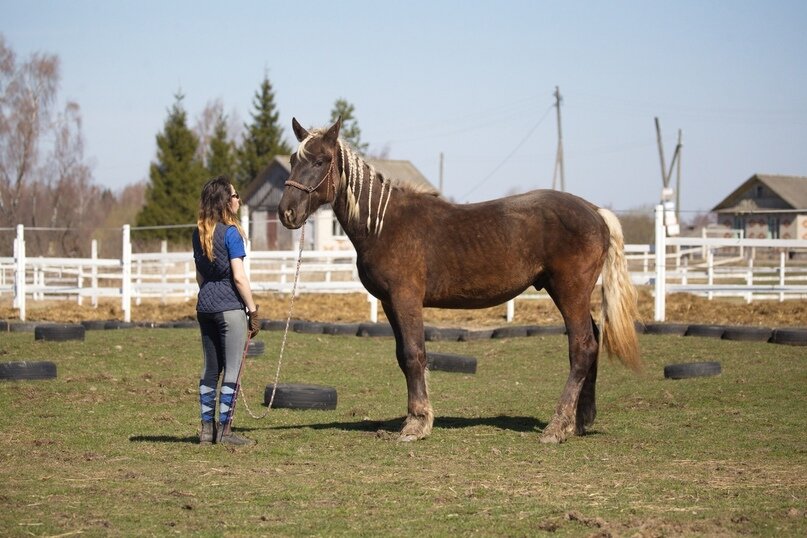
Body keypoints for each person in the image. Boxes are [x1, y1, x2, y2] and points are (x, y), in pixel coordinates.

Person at [192, 176, 261, 446]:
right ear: (224, 201)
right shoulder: (231, 233)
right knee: (233, 370)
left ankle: (206, 431)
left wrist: (208, 295)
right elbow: (239, 278)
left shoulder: (198, 233)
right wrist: (253, 311)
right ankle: (226, 432)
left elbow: (199, 276)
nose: (238, 200)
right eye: (234, 196)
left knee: (211, 369)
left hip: (205, 306)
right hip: (230, 308)